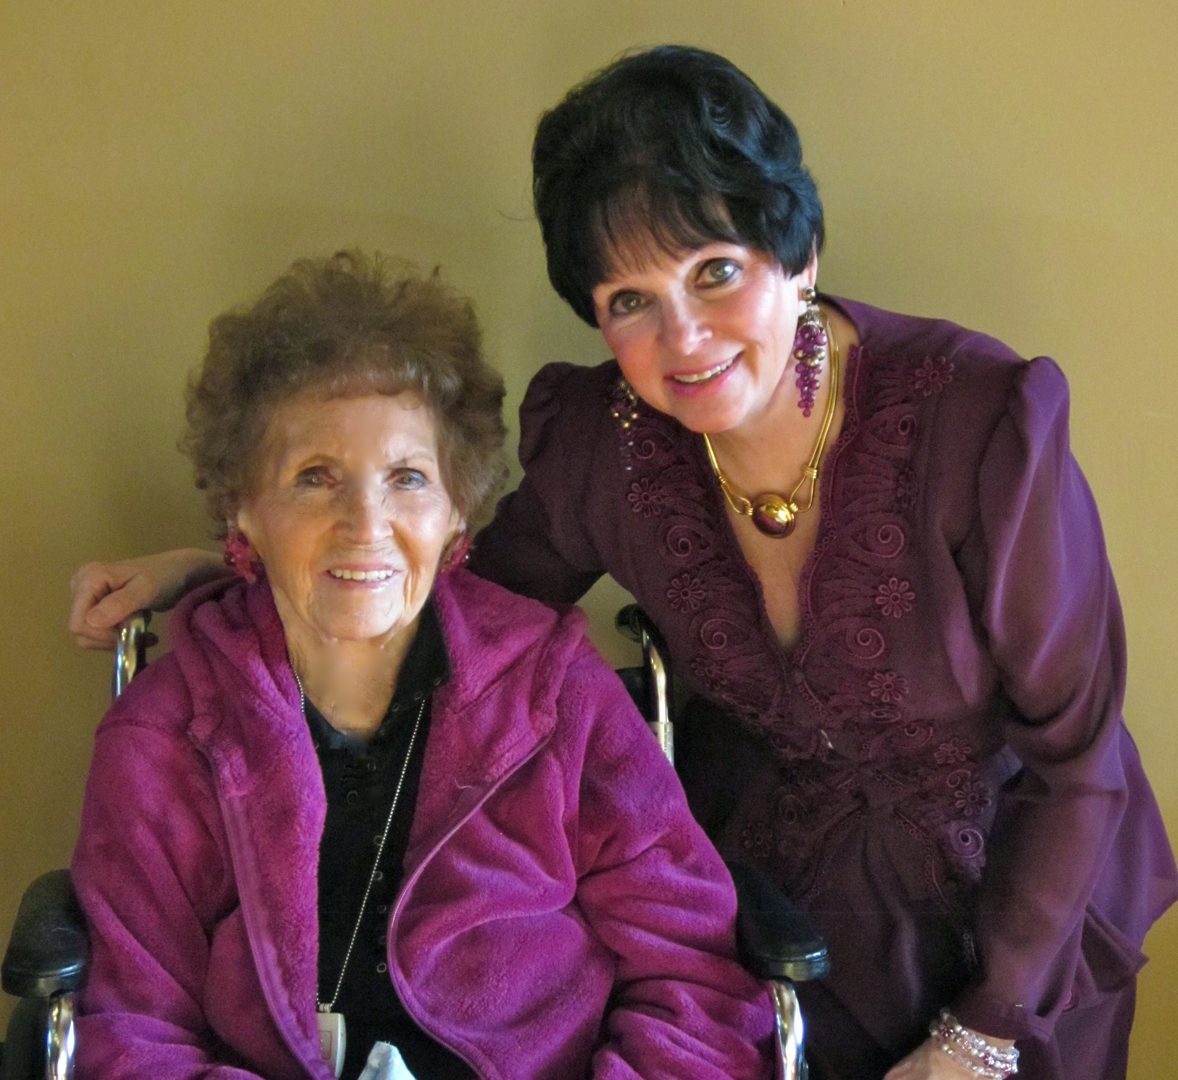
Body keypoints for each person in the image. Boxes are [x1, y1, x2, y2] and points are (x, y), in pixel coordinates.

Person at [67, 47, 1177, 1080]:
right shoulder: (606, 446)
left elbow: (1075, 761)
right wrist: (226, 571)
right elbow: (427, 586)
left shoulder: (977, 425)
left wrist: (977, 1037)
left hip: (1019, 912)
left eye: (714, 271)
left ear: (797, 255)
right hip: (789, 907)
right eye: (628, 302)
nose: (681, 338)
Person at [68, 249, 776, 1080]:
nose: (365, 524)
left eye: (407, 478)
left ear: (454, 516)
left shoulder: (555, 692)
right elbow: (132, 1031)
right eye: (314, 479)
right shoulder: (163, 733)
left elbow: (690, 972)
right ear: (243, 512)